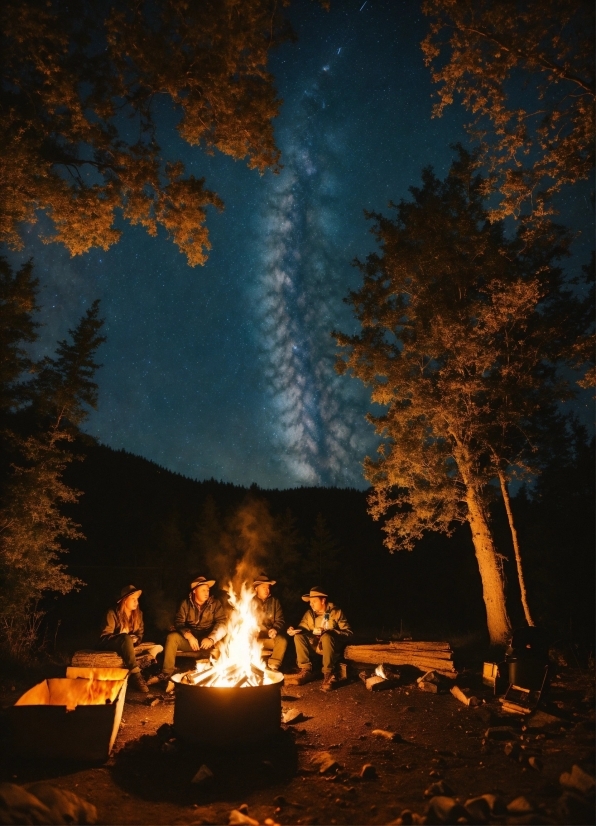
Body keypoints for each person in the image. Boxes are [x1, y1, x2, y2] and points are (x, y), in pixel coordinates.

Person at [154, 576, 227, 681]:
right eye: (203, 590)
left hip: (208, 642)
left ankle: (220, 674)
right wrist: (188, 635)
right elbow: (179, 623)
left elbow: (222, 623)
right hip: (192, 642)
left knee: (225, 640)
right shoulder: (185, 604)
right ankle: (166, 673)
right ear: (194, 591)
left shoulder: (215, 604)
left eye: (208, 590)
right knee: (172, 637)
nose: (206, 592)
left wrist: (212, 638)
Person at [287, 586, 352, 691]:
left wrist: (331, 632)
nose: (310, 604)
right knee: (298, 636)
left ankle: (328, 673)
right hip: (316, 646)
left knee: (326, 636)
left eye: (314, 601)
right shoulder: (309, 614)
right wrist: (293, 629)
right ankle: (305, 669)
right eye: (310, 601)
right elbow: (301, 628)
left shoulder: (335, 612)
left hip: (331, 647)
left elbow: (348, 633)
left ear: (323, 600)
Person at [99, 584, 161, 693]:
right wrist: (124, 638)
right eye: (133, 599)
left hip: (130, 644)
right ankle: (136, 675)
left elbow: (140, 632)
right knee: (126, 638)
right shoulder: (112, 613)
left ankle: (151, 672)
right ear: (124, 600)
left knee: (157, 647)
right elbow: (105, 635)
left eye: (137, 599)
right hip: (112, 643)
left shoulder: (138, 614)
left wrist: (136, 639)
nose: (136, 602)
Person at [252, 573, 287, 672]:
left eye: (268, 588)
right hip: (254, 639)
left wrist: (275, 629)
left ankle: (273, 666)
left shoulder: (274, 602)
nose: (267, 590)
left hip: (269, 638)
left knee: (282, 640)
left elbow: (280, 619)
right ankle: (250, 666)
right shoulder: (249, 602)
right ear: (256, 589)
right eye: (263, 587)